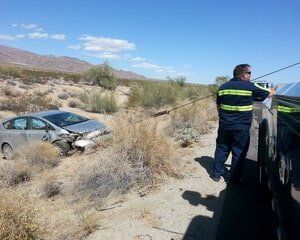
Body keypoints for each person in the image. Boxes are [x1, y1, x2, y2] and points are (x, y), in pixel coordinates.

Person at [210, 64, 275, 183]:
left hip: (225, 125)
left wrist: (224, 117)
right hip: (241, 127)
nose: (251, 75)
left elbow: (218, 106)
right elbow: (270, 93)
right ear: (244, 74)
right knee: (238, 151)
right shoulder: (251, 87)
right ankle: (234, 179)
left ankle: (216, 174)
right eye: (250, 73)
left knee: (221, 148)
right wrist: (274, 88)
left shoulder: (223, 87)